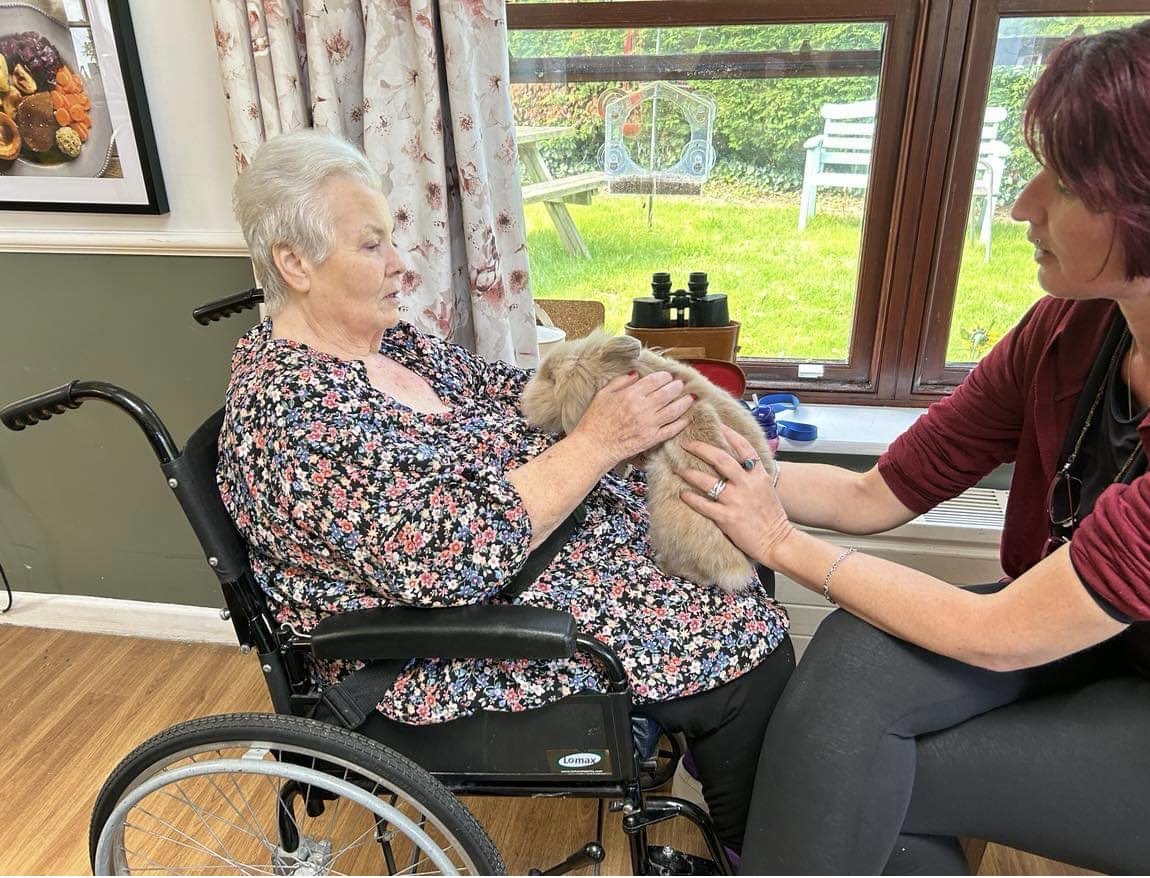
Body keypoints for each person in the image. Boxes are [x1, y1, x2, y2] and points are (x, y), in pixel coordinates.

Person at [216, 129, 794, 855]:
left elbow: (503, 395)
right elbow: (443, 560)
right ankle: (769, 855)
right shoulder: (293, 417)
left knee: (734, 561)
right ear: (294, 263)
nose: (402, 266)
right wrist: (597, 443)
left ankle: (762, 832)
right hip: (432, 654)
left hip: (534, 560)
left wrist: (598, 386)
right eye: (372, 247)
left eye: (392, 238)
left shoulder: (386, 343)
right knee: (740, 643)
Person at [680, 20, 1150, 875]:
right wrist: (709, 462)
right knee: (852, 662)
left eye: (1068, 182)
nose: (1021, 205)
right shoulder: (1069, 331)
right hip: (1074, 635)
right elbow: (878, 494)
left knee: (860, 777)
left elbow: (1002, 635)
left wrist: (779, 543)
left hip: (1107, 671)